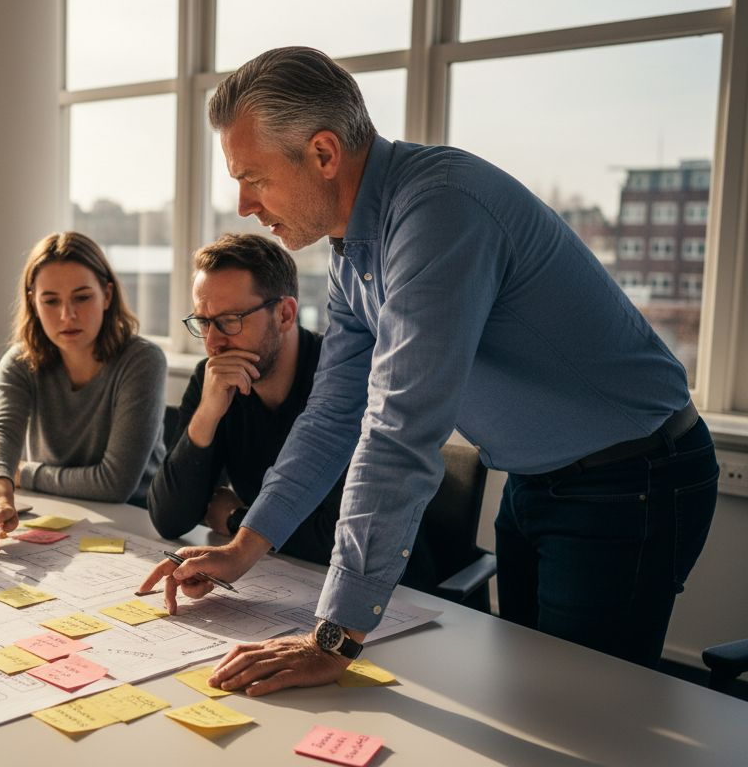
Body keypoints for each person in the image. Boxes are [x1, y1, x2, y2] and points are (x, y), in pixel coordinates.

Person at [139, 46, 718, 694]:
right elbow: (333, 416)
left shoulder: (438, 211)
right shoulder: (351, 250)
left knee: (583, 708)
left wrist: (334, 633)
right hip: (537, 478)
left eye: (254, 177)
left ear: (324, 154)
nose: (244, 204)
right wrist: (243, 547)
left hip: (632, 476)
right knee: (529, 700)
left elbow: (400, 428)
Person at [148, 232, 435, 589]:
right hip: (285, 581)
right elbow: (168, 519)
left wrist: (237, 520)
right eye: (204, 322)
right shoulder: (215, 380)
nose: (213, 342)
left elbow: (338, 541)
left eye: (230, 321)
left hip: (393, 594)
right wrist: (207, 414)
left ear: (284, 314)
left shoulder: (347, 384)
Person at [0, 231, 167, 553]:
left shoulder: (143, 360)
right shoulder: (20, 361)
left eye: (82, 297)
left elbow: (114, 484)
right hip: (56, 513)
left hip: (137, 528)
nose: (67, 315)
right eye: (51, 301)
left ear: (107, 294)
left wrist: (23, 473)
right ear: (33, 300)